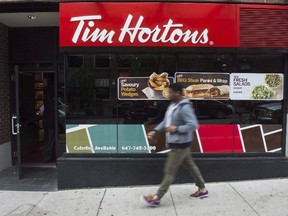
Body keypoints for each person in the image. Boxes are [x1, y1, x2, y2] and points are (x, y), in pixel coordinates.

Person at [141, 83, 208, 207]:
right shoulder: (173, 105)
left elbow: (194, 125)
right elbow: (167, 122)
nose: (168, 94)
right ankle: (203, 190)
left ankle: (157, 198)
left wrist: (176, 129)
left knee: (169, 172)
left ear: (177, 93)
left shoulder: (185, 107)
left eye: (170, 92)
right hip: (178, 143)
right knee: (191, 166)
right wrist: (155, 131)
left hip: (179, 145)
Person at [40, 97, 55, 162]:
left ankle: (46, 156)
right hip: (52, 125)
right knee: (50, 141)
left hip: (46, 124)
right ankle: (47, 157)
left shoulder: (45, 105)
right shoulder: (54, 104)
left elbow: (41, 112)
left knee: (47, 140)